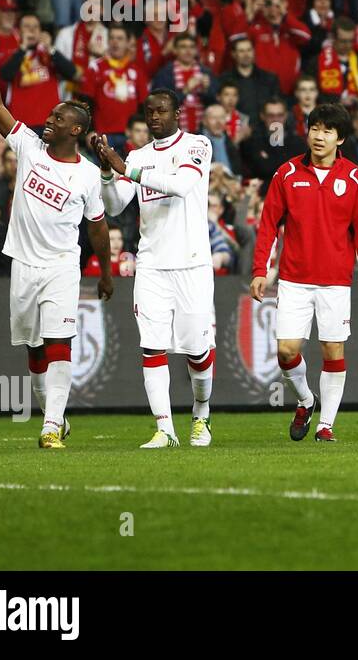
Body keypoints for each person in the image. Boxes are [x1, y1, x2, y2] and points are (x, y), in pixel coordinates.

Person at [0, 30, 113, 449]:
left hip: (63, 266)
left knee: (58, 342)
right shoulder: (29, 147)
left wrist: (103, 273)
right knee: (34, 354)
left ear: (76, 130)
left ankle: (50, 427)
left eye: (55, 119)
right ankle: (56, 417)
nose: (46, 121)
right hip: (23, 265)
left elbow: (98, 228)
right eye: (48, 117)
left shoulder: (87, 174)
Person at [90, 88, 215, 448]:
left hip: (192, 263)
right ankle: (165, 429)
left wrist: (124, 167)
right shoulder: (138, 155)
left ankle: (201, 415)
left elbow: (180, 186)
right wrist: (107, 174)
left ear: (178, 113)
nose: (155, 116)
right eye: (150, 111)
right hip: (152, 265)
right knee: (152, 345)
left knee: (197, 350)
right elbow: (114, 207)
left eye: (162, 110)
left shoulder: (197, 146)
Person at [251, 102, 358, 443]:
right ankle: (307, 400)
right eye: (315, 129)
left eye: (328, 131)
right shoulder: (287, 174)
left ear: (341, 139)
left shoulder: (354, 177)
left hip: (336, 281)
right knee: (287, 351)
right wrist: (260, 269)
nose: (319, 136)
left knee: (332, 352)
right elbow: (267, 225)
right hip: (294, 279)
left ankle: (326, 425)